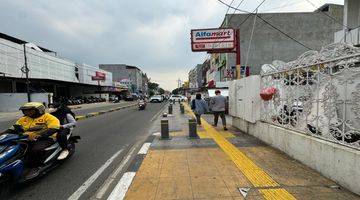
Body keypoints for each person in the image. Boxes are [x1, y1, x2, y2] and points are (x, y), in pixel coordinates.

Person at [2, 102, 60, 178]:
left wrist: (38, 135)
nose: (27, 112)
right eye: (25, 111)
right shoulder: (24, 119)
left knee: (36, 150)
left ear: (39, 110)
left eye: (30, 110)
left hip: (46, 138)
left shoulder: (48, 117)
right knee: (12, 147)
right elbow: (12, 129)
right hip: (26, 138)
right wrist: (2, 134)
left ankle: (36, 167)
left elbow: (54, 128)